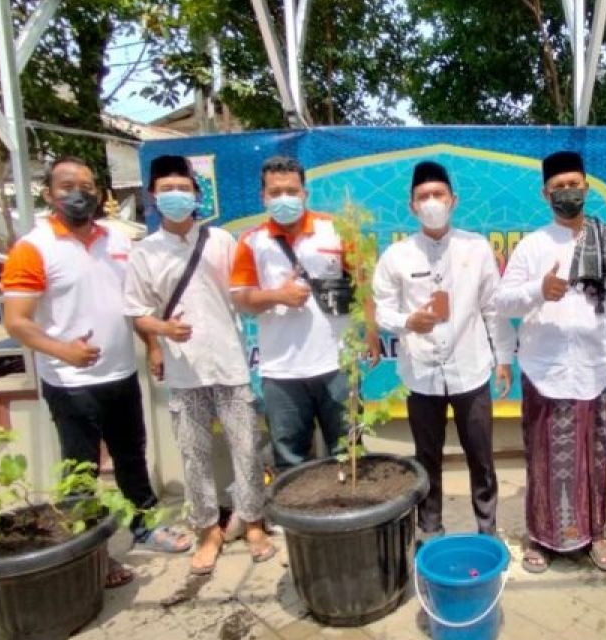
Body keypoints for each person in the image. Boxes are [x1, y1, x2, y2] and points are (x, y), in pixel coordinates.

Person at [1, 156, 190, 589]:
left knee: (131, 456)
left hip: (121, 374)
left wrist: (152, 346)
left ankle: (144, 525)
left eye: (87, 185)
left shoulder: (118, 243)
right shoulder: (33, 248)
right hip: (70, 384)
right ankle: (92, 552)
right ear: (48, 194)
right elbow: (17, 320)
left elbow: (136, 307)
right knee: (80, 470)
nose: (78, 193)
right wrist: (61, 351)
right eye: (67, 185)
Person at [123, 155, 275, 576]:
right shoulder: (145, 253)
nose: (176, 197)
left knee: (246, 450)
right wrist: (160, 334)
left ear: (196, 194)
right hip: (184, 373)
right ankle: (208, 531)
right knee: (195, 456)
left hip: (229, 365)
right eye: (166, 190)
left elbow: (243, 297)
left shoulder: (222, 243)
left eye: (183, 189)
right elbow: (137, 314)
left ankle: (254, 525)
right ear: (153, 197)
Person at [496, 150, 606, 573]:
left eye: (574, 184)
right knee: (544, 458)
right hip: (545, 369)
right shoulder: (532, 245)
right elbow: (502, 302)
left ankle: (597, 533)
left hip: (595, 368)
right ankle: (540, 537)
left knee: (594, 459)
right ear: (545, 193)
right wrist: (538, 290)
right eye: (558, 187)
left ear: (586, 187)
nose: (567, 192)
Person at [372, 160, 513, 541]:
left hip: (471, 370)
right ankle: (430, 529)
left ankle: (488, 528)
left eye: (438, 195)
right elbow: (382, 308)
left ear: (453, 200)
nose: (431, 201)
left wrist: (504, 358)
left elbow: (492, 307)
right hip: (421, 376)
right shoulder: (396, 255)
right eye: (423, 196)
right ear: (412, 206)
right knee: (427, 458)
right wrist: (406, 321)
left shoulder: (476, 247)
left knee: (481, 457)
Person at [230, 155, 379, 471]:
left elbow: (364, 282)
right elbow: (241, 300)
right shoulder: (252, 241)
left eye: (291, 191)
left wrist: (372, 331)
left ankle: (350, 519)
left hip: (338, 363)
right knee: (290, 461)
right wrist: (277, 295)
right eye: (275, 192)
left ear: (305, 193)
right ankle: (295, 522)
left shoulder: (336, 229)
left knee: (349, 452)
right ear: (263, 197)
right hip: (281, 372)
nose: (284, 199)